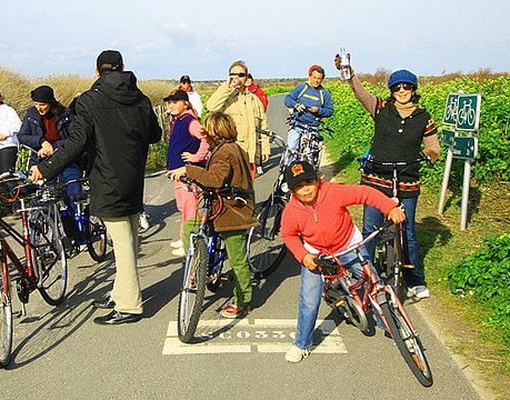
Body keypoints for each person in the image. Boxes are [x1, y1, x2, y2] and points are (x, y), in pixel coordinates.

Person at [31, 50, 162, 325]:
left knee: (124, 245)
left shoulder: (89, 102)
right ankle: (120, 292)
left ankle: (130, 306)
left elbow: (76, 143)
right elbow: (155, 135)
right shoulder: (141, 99)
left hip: (106, 177)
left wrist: (45, 168)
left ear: (96, 72)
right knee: (129, 240)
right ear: (123, 67)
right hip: (134, 177)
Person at [334, 54, 441, 300]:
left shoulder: (424, 117)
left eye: (406, 86)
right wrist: (349, 72)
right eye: (397, 87)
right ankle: (364, 278)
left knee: (407, 231)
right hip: (376, 178)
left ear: (413, 89)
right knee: (370, 228)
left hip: (407, 180)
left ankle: (415, 280)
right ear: (391, 90)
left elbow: (433, 146)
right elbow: (359, 92)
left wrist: (429, 154)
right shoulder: (381, 108)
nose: (402, 90)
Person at [280, 160, 405, 363]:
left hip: (348, 245)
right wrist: (304, 256)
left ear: (318, 180)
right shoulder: (292, 211)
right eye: (299, 187)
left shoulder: (333, 192)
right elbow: (288, 235)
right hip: (317, 255)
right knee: (309, 300)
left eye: (309, 183)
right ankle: (302, 343)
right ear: (292, 191)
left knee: (373, 283)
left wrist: (390, 208)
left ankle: (390, 324)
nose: (305, 190)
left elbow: (366, 193)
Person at [167, 112, 258, 319]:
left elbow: (215, 179)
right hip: (231, 205)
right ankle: (204, 272)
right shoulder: (233, 148)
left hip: (233, 211)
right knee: (199, 229)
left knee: (238, 259)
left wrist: (187, 170)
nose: (205, 134)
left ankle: (243, 300)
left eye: (207, 130)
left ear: (215, 132)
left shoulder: (225, 152)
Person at [17, 85, 83, 245]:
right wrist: (41, 143)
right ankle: (49, 232)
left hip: (66, 159)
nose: (39, 108)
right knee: (42, 195)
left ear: (51, 103)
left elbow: (76, 138)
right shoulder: (31, 115)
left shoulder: (66, 114)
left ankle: (80, 232)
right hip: (41, 161)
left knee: (72, 191)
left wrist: (55, 147)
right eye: (36, 104)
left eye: (42, 105)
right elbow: (22, 136)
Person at [163, 89, 210, 257]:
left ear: (185, 103)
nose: (171, 105)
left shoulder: (191, 121)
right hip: (179, 173)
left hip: (189, 173)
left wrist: (196, 157)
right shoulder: (179, 120)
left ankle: (189, 242)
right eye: (170, 102)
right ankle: (184, 237)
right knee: (183, 206)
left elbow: (206, 140)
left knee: (190, 207)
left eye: (175, 102)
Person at [206, 60, 269, 179]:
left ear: (246, 78)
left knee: (248, 193)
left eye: (241, 75)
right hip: (231, 156)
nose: (237, 78)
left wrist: (265, 148)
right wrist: (227, 87)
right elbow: (211, 107)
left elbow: (263, 126)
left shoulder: (255, 100)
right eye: (233, 74)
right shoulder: (225, 97)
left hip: (250, 155)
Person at [283, 64, 334, 164]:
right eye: (314, 77)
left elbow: (330, 111)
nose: (316, 80)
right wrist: (296, 105)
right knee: (292, 149)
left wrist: (318, 110)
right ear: (309, 76)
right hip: (297, 124)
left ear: (322, 79)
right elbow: (287, 99)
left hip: (313, 127)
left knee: (311, 154)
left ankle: (310, 174)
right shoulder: (301, 88)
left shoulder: (324, 94)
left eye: (319, 78)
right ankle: (288, 172)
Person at [245, 73, 269, 175]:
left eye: (249, 79)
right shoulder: (239, 93)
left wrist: (257, 113)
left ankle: (258, 164)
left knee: (258, 144)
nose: (247, 81)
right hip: (245, 122)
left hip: (256, 120)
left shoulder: (257, 91)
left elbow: (263, 104)